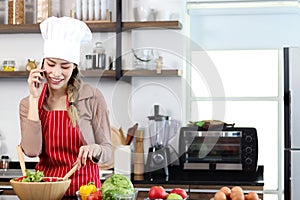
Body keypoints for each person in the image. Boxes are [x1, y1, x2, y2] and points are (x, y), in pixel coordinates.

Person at [19, 16, 112, 197]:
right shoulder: (28, 103)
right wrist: (33, 97)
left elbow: (108, 151)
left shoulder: (92, 97)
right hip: (47, 192)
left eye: (65, 66)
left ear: (74, 67)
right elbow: (30, 151)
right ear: (42, 64)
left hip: (86, 193)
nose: (56, 73)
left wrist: (96, 149)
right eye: (51, 64)